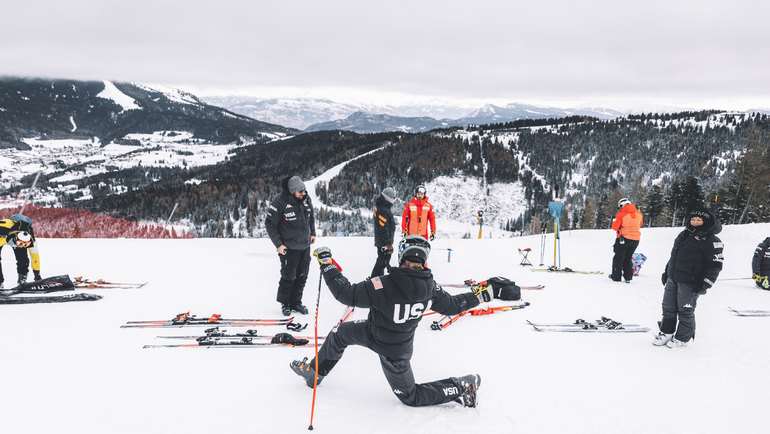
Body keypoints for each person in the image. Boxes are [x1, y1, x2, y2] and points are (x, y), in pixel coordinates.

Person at [290, 235, 496, 407]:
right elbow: (452, 305)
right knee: (341, 333)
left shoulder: (383, 284)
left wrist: (327, 265)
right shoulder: (430, 287)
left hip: (391, 351)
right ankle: (315, 373)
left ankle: (462, 386)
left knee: (410, 397)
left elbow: (346, 294)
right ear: (424, 261)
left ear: (401, 257)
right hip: (386, 341)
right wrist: (479, 296)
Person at [653, 207, 723, 348]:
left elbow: (716, 265)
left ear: (706, 222)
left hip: (691, 282)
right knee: (668, 307)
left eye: (699, 220)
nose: (695, 222)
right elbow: (674, 256)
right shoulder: (684, 235)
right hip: (674, 277)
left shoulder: (712, 240)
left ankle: (683, 338)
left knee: (685, 310)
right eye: (693, 219)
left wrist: (705, 283)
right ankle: (666, 332)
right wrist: (667, 272)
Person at [265, 175, 316, 316]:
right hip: (288, 248)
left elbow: (311, 216)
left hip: (305, 246)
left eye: (304, 191)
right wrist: (278, 244)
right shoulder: (280, 202)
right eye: (300, 192)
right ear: (292, 191)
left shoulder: (305, 199)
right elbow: (270, 224)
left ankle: (296, 302)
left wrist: (313, 233)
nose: (303, 194)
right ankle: (285, 303)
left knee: (302, 275)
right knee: (289, 276)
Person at [0, 214, 42, 288]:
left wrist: (37, 275)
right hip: (4, 234)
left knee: (23, 259)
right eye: (20, 243)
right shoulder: (3, 231)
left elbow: (35, 256)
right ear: (14, 239)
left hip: (17, 235)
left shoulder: (29, 238)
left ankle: (22, 280)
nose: (23, 245)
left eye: (26, 245)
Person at [609, 197, 643, 283]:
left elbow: (614, 227)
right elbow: (640, 224)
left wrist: (614, 220)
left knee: (618, 258)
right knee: (628, 258)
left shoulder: (621, 213)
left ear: (622, 205)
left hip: (623, 239)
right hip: (636, 240)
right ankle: (628, 277)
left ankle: (616, 277)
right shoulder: (639, 213)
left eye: (619, 207)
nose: (619, 208)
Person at [371, 187, 397, 277]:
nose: (394, 200)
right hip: (383, 242)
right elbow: (383, 228)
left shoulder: (383, 207)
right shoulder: (383, 209)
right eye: (393, 198)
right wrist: (387, 243)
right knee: (382, 261)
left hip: (383, 241)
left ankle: (378, 280)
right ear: (388, 197)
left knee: (382, 261)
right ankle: (374, 280)